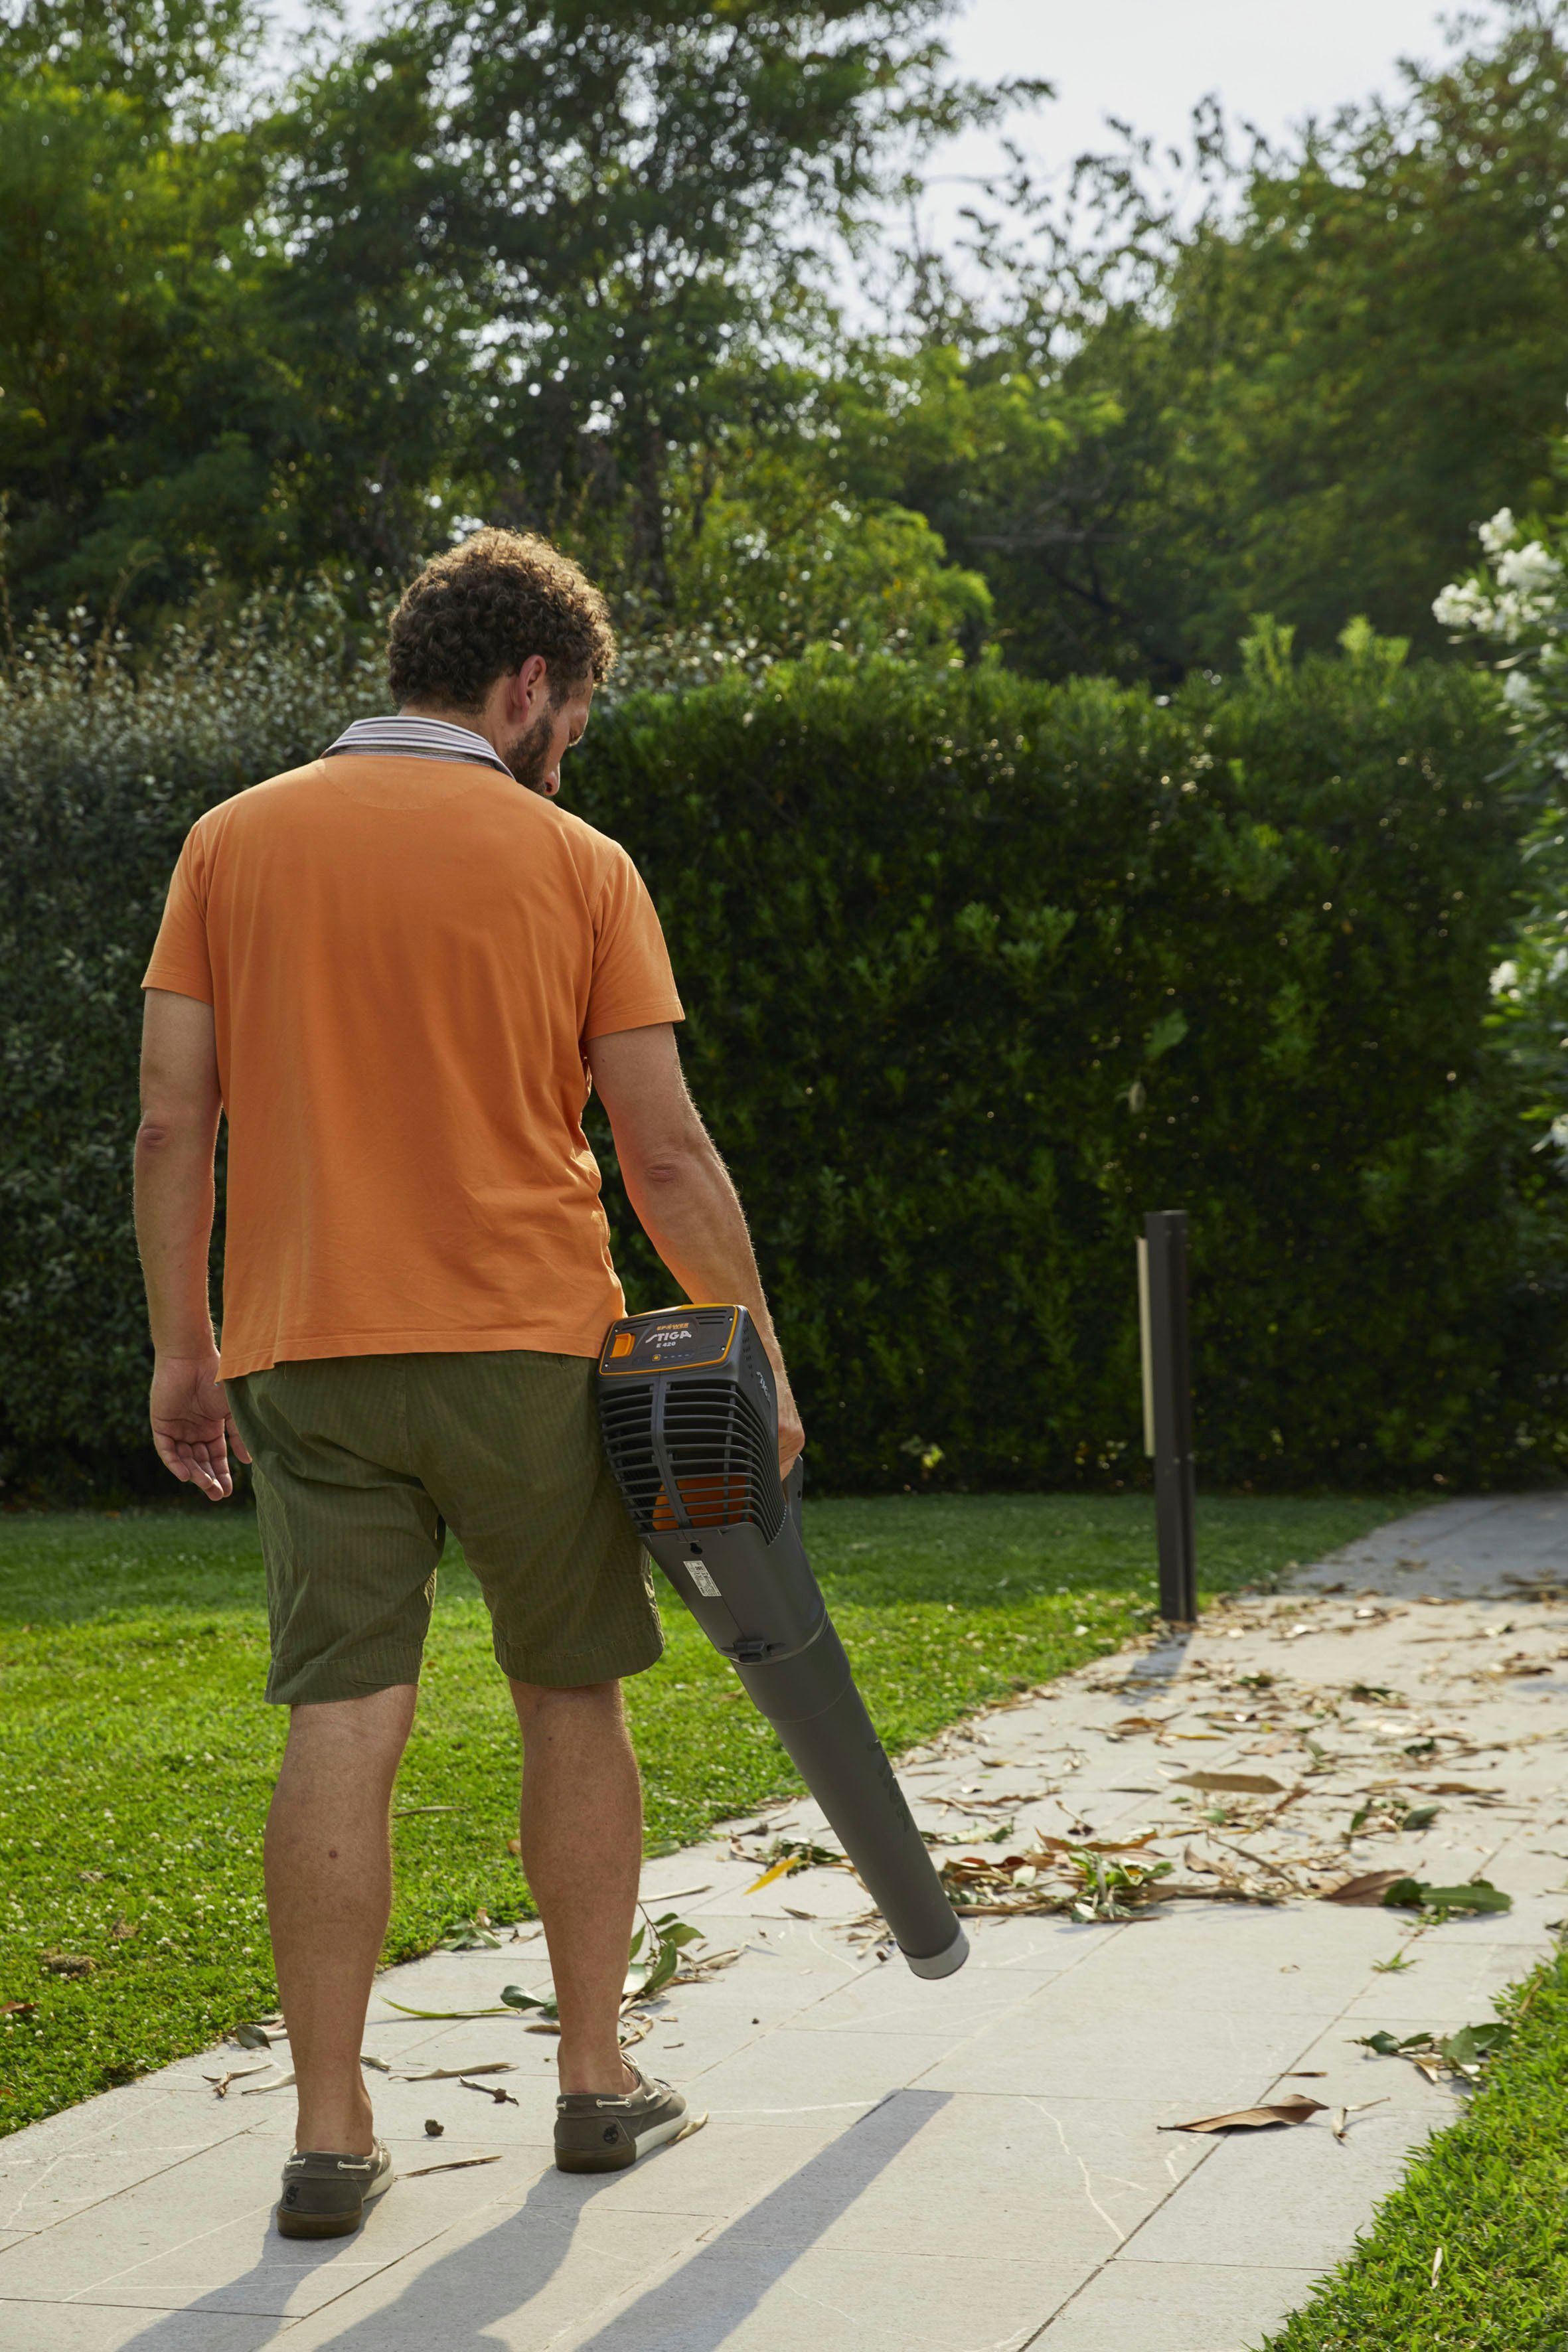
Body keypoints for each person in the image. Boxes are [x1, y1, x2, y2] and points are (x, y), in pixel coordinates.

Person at [133, 528, 804, 2240]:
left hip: (305, 1350)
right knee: (569, 1697)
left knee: (341, 1718)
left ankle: (333, 2135)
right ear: (526, 689)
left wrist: (184, 1348)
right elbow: (661, 1152)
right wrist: (757, 1352)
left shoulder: (230, 843)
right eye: (569, 713)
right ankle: (594, 2083)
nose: (566, 746)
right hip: (523, 1350)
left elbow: (168, 1123)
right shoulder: (579, 863)